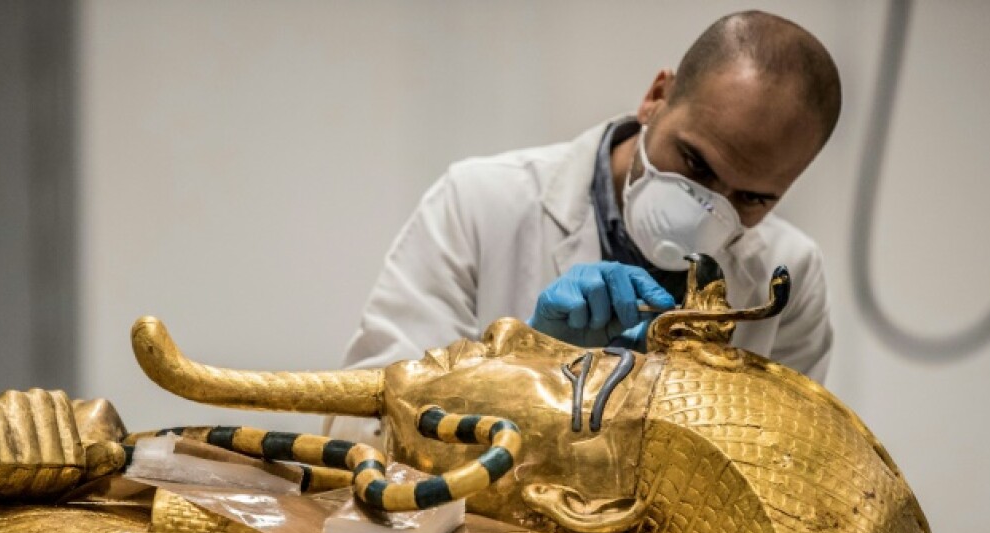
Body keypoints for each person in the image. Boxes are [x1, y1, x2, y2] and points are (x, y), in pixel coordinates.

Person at [329, 10, 841, 443]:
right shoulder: (480, 203)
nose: (709, 210)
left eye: (751, 198)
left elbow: (782, 473)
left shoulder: (789, 276)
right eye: (694, 164)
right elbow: (360, 431)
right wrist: (527, 363)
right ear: (657, 96)